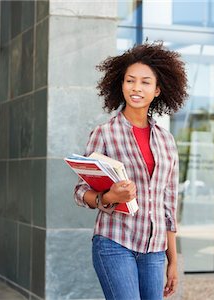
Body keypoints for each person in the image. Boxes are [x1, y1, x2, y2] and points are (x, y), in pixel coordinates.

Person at [74, 42, 187, 300]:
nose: (136, 88)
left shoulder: (167, 141)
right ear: (121, 85)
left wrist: (173, 260)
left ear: (158, 90)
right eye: (130, 80)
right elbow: (81, 192)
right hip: (114, 242)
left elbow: (168, 207)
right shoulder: (104, 134)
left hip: (155, 249)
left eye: (145, 82)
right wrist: (111, 197)